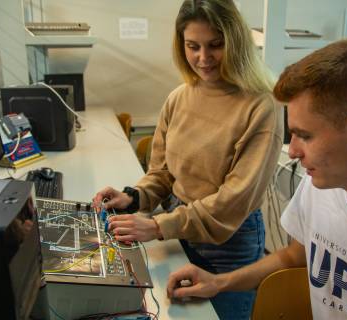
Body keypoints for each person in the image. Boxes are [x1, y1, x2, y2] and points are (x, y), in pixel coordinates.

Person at [167, 39, 347, 319]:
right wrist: (218, 282)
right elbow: (294, 256)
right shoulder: (320, 186)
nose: (294, 151)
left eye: (305, 135)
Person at [93, 0, 283, 318]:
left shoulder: (261, 105)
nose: (203, 58)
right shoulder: (179, 97)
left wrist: (157, 226)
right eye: (192, 46)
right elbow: (163, 172)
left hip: (228, 242)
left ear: (236, 42)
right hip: (178, 226)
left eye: (215, 46)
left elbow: (232, 202)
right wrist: (134, 196)